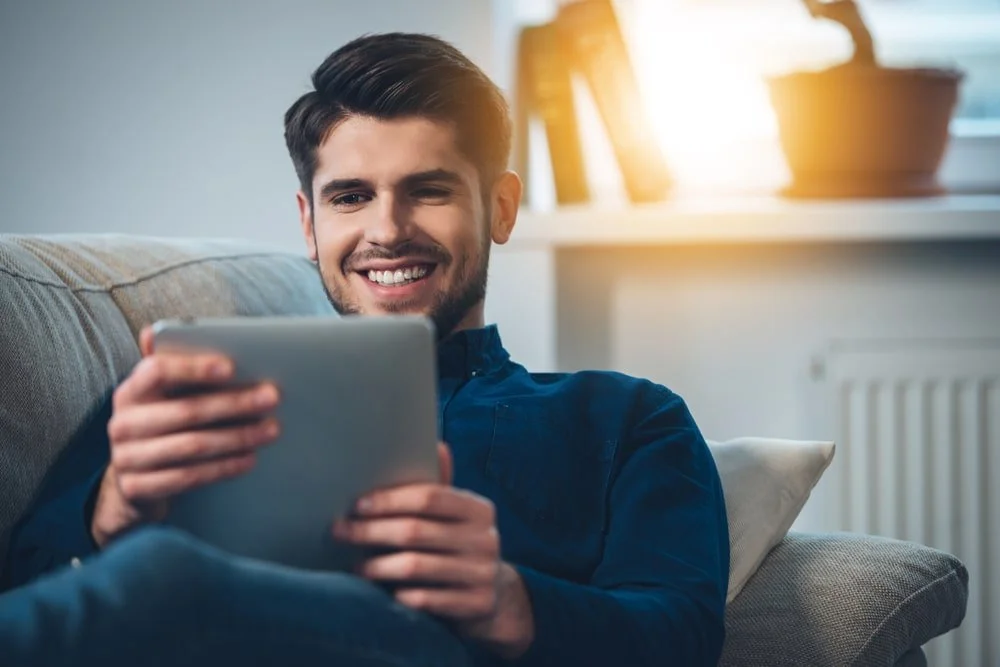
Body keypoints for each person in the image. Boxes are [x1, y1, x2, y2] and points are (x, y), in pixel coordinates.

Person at [1, 33, 730, 667]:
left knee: (167, 575)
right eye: (350, 197)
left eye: (429, 190)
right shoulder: (180, 398)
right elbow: (29, 587)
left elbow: (683, 633)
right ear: (310, 223)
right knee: (159, 573)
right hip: (180, 635)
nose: (388, 229)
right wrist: (106, 517)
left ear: (500, 208)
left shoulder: (628, 417)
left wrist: (514, 603)